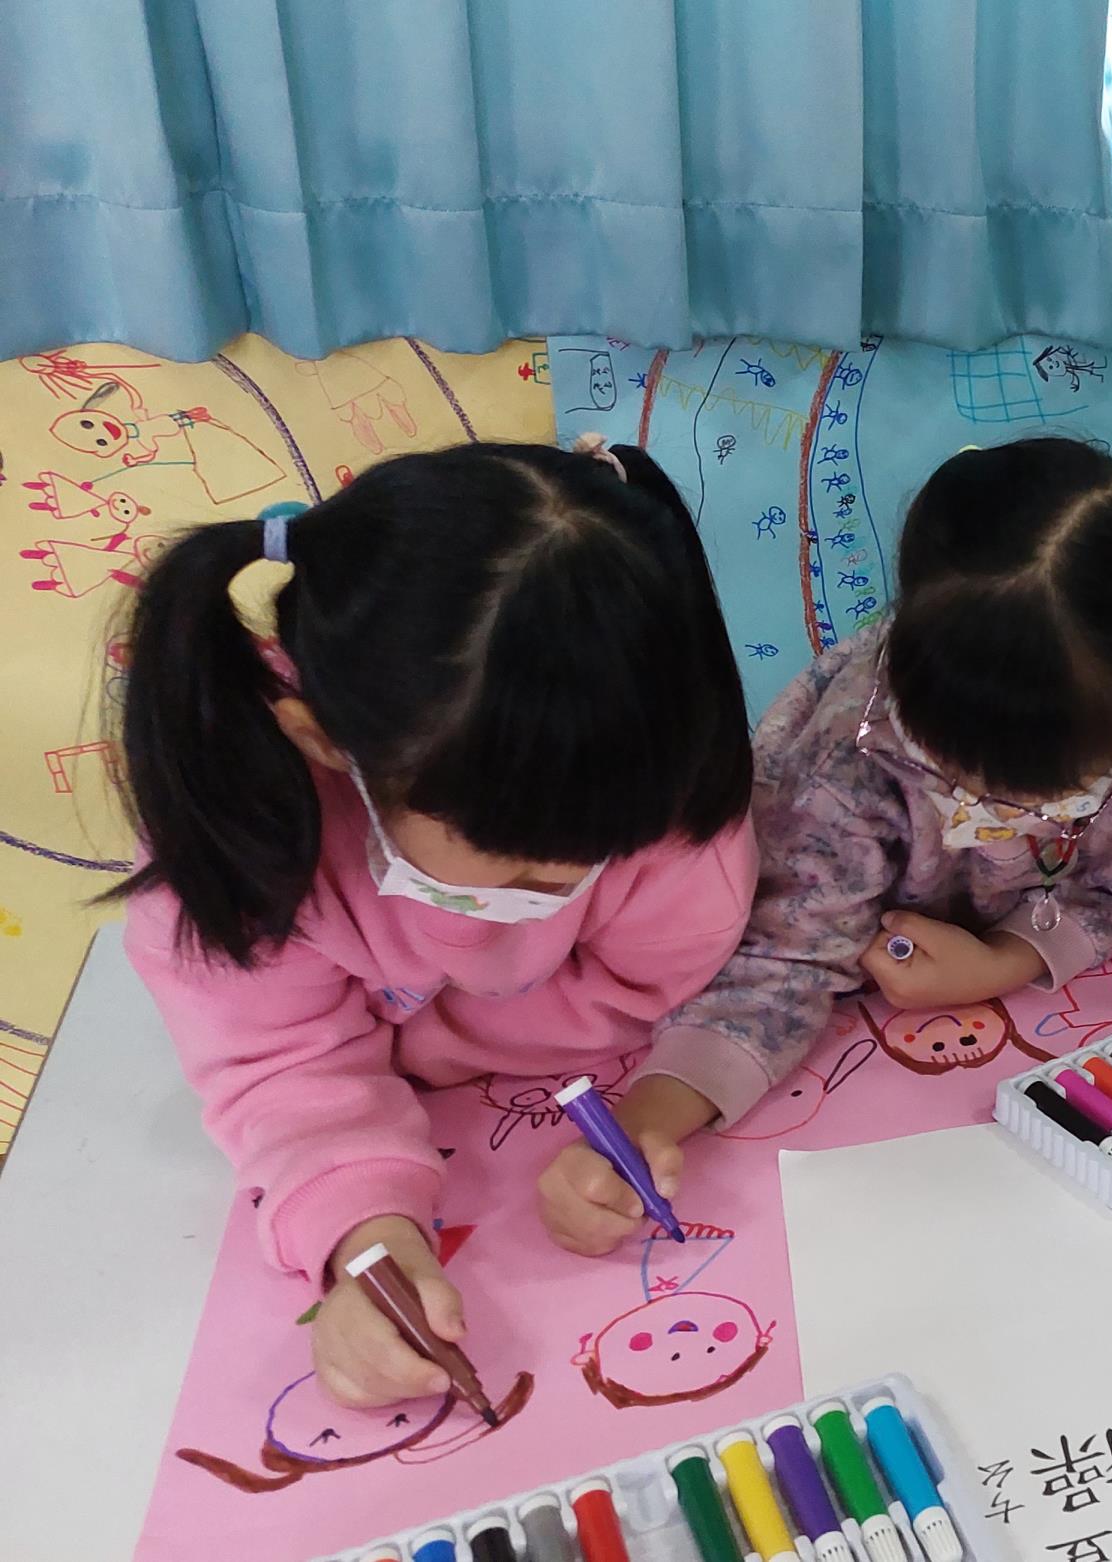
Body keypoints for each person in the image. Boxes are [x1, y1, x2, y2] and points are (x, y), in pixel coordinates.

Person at [117, 438, 760, 1408]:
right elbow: (277, 1067)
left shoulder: (664, 787)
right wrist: (369, 1239)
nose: (570, 879)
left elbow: (655, 972)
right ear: (324, 742)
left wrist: (414, 1043)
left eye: (598, 854)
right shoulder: (239, 825)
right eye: (520, 864)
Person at [647, 438, 1112, 1234]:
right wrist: (653, 1118)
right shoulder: (846, 759)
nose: (981, 801)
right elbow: (785, 952)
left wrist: (1007, 961)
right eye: (952, 767)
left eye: (1035, 784)